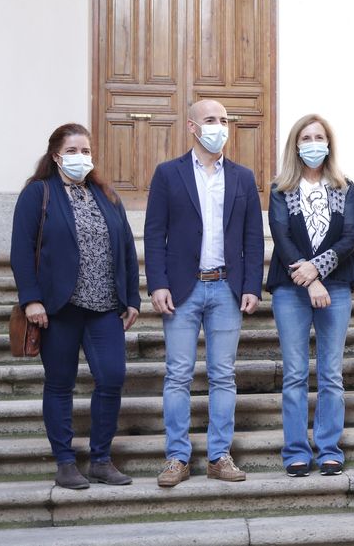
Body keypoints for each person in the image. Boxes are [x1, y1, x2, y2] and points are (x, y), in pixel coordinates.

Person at [10, 123, 140, 489]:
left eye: (86, 151)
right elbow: (21, 249)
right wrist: (32, 299)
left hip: (104, 308)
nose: (81, 158)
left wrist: (131, 297)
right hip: (58, 309)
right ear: (56, 155)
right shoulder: (39, 194)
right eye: (73, 151)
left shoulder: (106, 194)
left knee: (112, 377)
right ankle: (66, 462)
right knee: (60, 384)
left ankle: (101, 458)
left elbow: (127, 249)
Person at [144, 99, 264, 487]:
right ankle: (177, 457)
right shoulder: (168, 174)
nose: (219, 126)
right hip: (182, 289)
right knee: (178, 375)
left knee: (223, 376)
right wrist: (158, 283)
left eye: (224, 120)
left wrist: (251, 286)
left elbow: (252, 237)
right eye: (211, 120)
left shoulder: (243, 177)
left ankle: (218, 455)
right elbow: (153, 233)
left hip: (227, 288)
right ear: (193, 127)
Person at [266, 114, 354, 477]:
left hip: (335, 287)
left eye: (319, 136)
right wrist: (309, 279)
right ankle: (295, 451)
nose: (313, 143)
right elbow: (281, 237)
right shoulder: (280, 188)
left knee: (331, 372)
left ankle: (329, 449)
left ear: (329, 143)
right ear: (296, 144)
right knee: (293, 373)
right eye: (306, 137)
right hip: (291, 289)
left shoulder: (344, 186)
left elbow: (349, 237)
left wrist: (318, 271)